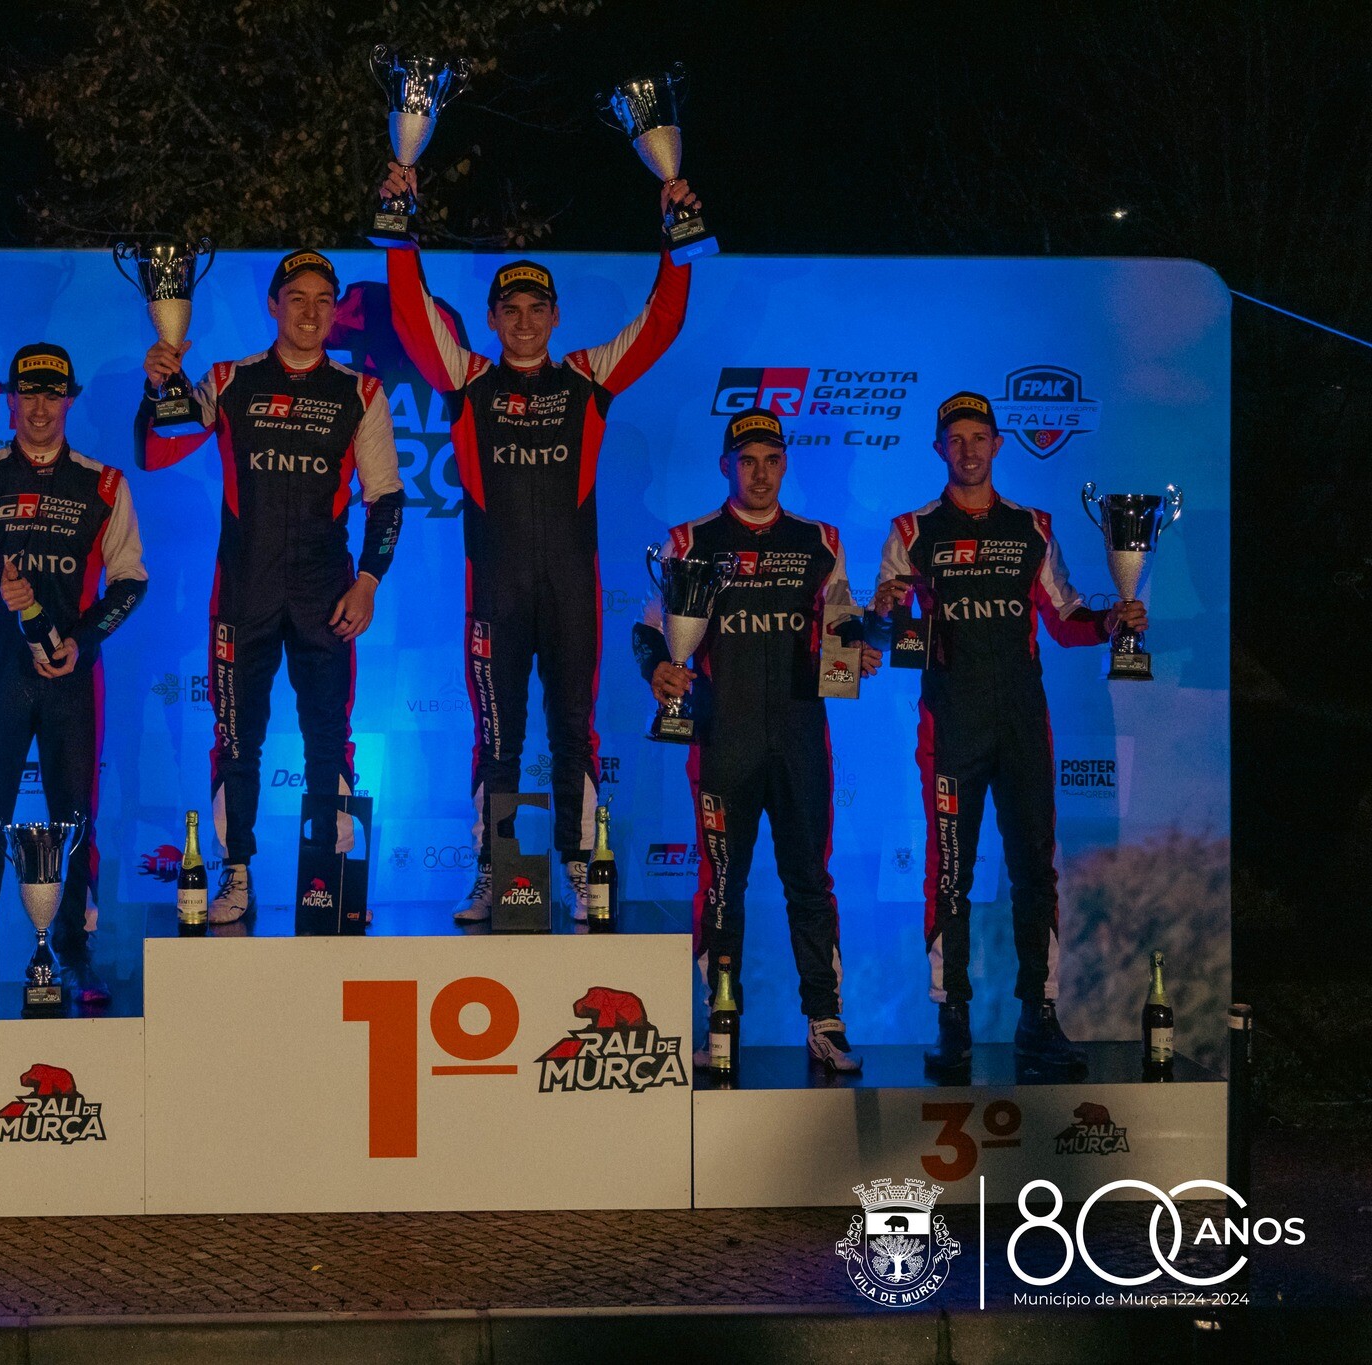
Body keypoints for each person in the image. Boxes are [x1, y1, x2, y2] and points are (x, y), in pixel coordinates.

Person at [383, 161, 697, 921]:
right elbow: (410, 314)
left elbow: (660, 322)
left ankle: (580, 867)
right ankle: (495, 873)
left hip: (570, 592)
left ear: (556, 317)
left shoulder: (588, 378)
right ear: (491, 320)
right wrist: (400, 227)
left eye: (536, 309)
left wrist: (677, 239)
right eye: (510, 310)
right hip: (494, 593)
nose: (523, 322)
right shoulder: (467, 380)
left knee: (572, 734)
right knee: (498, 737)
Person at [873, 391, 1146, 1076]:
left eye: (979, 437)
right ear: (939, 449)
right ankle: (953, 1016)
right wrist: (882, 612)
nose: (968, 449)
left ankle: (1038, 1016)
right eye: (956, 438)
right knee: (950, 872)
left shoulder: (1032, 527)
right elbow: (888, 627)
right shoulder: (911, 530)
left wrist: (1111, 621)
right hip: (951, 724)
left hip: (1023, 721)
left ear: (998, 445)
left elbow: (1065, 617)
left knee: (1034, 869)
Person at [138, 250, 405, 924]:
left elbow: (386, 499)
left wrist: (368, 582)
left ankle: (329, 881)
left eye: (324, 300)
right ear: (273, 305)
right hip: (243, 592)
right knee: (236, 738)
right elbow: (156, 450)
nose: (311, 312)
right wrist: (158, 387)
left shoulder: (360, 392)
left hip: (326, 594)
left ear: (335, 310)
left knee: (328, 736)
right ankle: (236, 875)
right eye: (297, 298)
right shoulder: (230, 379)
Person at [633, 409, 877, 1073]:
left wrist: (856, 649)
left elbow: (843, 622)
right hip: (723, 740)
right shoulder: (690, 541)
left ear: (785, 464)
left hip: (801, 740)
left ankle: (825, 1021)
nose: (761, 474)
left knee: (810, 881)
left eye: (771, 460)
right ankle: (721, 1022)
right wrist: (656, 667)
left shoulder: (819, 540)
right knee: (722, 885)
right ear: (726, 466)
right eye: (748, 461)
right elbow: (649, 627)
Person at [0, 344, 148, 1009]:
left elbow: (131, 581)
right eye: (28, 393)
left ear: (70, 400)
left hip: (72, 680)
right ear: (10, 399)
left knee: (77, 821)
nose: (39, 407)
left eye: (52, 394)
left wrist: (82, 642)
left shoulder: (104, 484)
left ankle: (76, 954)